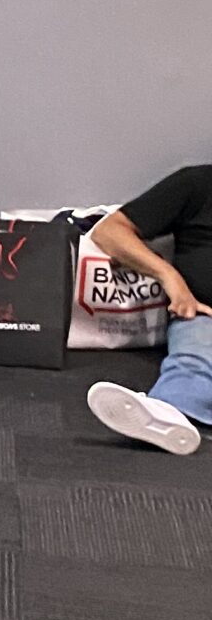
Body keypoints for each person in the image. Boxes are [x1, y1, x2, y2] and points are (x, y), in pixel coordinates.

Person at [85, 165, 212, 456]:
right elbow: (109, 232)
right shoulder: (199, 184)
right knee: (195, 359)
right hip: (205, 317)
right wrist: (170, 277)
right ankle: (165, 415)